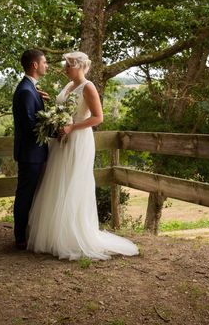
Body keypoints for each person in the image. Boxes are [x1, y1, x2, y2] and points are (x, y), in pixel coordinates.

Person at [26, 51, 139, 260]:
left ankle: (72, 236)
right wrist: (50, 104)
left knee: (72, 184)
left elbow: (98, 118)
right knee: (57, 182)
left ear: (78, 66)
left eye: (68, 65)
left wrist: (72, 127)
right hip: (61, 141)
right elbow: (62, 110)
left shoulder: (88, 87)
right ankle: (54, 235)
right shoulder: (68, 86)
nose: (64, 69)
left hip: (78, 140)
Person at [12, 48, 49, 250]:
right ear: (34, 65)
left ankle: (26, 232)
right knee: (25, 194)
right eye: (44, 62)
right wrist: (53, 127)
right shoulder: (26, 91)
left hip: (33, 153)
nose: (47, 65)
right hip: (30, 154)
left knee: (29, 193)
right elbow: (30, 126)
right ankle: (19, 238)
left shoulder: (31, 88)